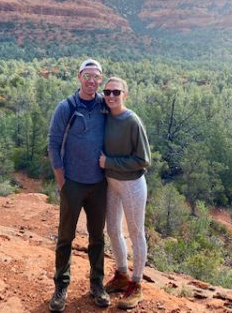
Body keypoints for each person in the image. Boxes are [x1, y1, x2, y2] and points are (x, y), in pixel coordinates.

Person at [47, 58, 111, 312]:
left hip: (98, 185)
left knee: (97, 238)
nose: (92, 81)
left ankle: (97, 285)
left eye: (97, 77)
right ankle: (61, 287)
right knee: (66, 237)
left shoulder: (104, 106)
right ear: (79, 77)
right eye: (88, 76)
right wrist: (61, 180)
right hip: (72, 183)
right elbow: (53, 143)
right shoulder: (67, 107)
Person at [99, 77, 151, 310]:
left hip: (131, 184)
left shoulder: (132, 121)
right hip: (112, 183)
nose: (111, 96)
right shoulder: (105, 116)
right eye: (107, 92)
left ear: (125, 94)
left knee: (136, 232)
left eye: (116, 92)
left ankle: (137, 284)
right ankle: (122, 274)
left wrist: (109, 162)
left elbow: (143, 160)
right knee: (112, 229)